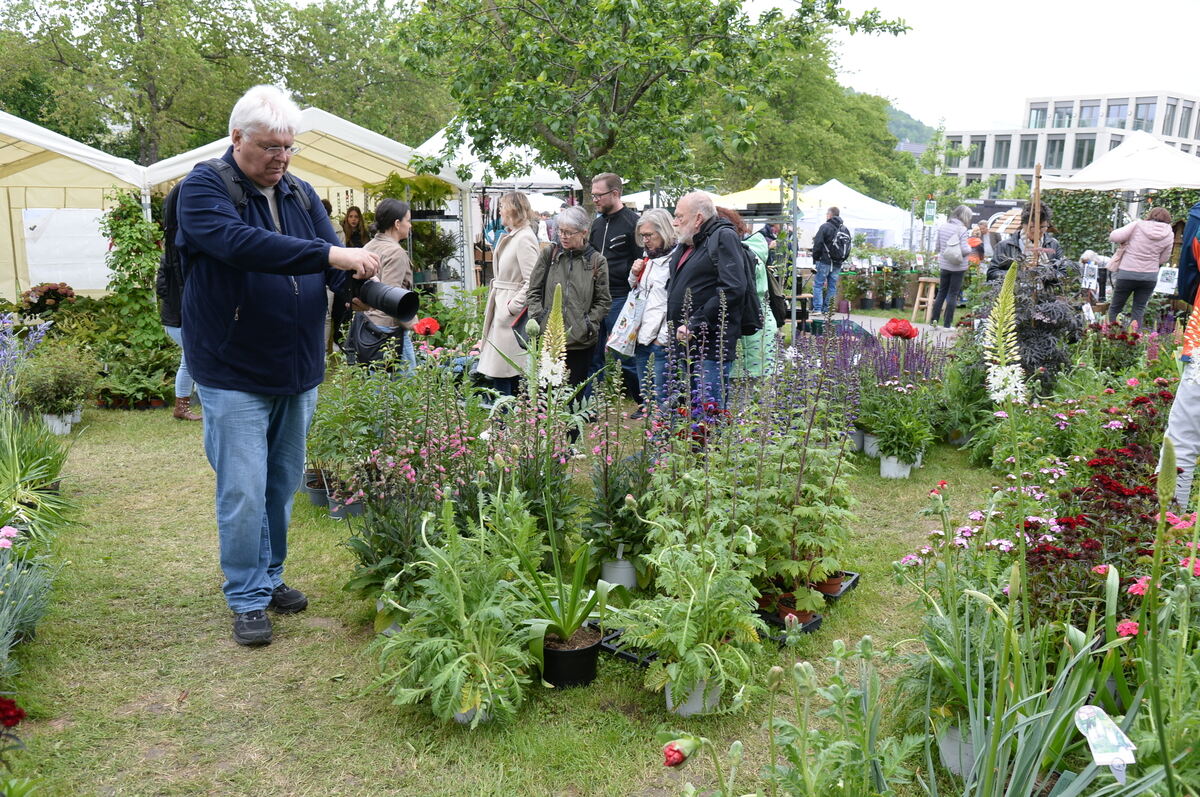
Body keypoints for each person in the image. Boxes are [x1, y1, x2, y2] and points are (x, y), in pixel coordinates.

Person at [175, 85, 379, 647]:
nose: (280, 159)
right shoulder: (203, 189)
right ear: (236, 138)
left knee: (282, 481)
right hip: (231, 366)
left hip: (296, 366)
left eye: (288, 148)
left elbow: (332, 263)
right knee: (242, 486)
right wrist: (329, 256)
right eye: (268, 147)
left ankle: (269, 576)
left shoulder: (299, 191)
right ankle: (245, 595)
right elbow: (244, 245)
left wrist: (365, 292)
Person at [666, 192, 748, 409]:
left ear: (698, 218)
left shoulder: (723, 237)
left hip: (710, 345)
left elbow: (733, 288)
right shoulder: (689, 242)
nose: (675, 222)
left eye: (679, 217)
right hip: (686, 344)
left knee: (707, 412)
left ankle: (708, 444)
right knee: (689, 412)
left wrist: (695, 322)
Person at [525, 205, 611, 387]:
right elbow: (533, 290)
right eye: (560, 231)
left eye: (569, 232)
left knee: (572, 393)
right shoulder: (550, 254)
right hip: (549, 337)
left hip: (580, 341)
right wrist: (540, 317)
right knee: (546, 390)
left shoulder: (596, 261)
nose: (563, 236)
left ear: (583, 233)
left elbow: (603, 301)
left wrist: (587, 323)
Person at [478, 192, 541, 394]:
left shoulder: (524, 238)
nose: (499, 211)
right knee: (503, 369)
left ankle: (505, 421)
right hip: (503, 304)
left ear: (512, 210)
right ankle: (506, 420)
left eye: (502, 207)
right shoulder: (516, 234)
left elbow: (532, 280)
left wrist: (512, 307)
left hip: (510, 312)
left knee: (504, 370)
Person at [155, 187, 202, 422]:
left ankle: (185, 406)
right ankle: (183, 407)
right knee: (195, 360)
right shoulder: (175, 259)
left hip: (174, 317)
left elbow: (161, 288)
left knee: (192, 359)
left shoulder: (169, 257)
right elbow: (163, 288)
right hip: (178, 319)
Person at [588, 173, 640, 379]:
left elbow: (640, 263)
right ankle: (591, 404)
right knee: (592, 354)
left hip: (620, 298)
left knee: (624, 354)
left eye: (598, 195)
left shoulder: (633, 223)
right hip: (594, 297)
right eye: (593, 195)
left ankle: (645, 404)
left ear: (615, 193)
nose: (595, 200)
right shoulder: (597, 225)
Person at [627, 208, 677, 412]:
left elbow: (674, 302)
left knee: (661, 398)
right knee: (647, 396)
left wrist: (663, 338)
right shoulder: (649, 257)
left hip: (660, 340)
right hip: (641, 336)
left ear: (663, 232)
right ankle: (652, 440)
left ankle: (662, 440)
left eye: (649, 235)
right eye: (643, 236)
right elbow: (637, 291)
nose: (645, 241)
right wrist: (633, 274)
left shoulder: (675, 260)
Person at [359, 198, 417, 370]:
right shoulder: (395, 252)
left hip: (368, 324)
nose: (410, 225)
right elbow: (392, 298)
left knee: (377, 384)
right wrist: (416, 324)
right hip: (389, 330)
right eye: (408, 220)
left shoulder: (369, 246)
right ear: (397, 223)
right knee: (407, 387)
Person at [728, 208, 777, 380]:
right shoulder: (753, 250)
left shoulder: (743, 255)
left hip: (753, 327)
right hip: (761, 324)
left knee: (752, 392)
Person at [1107, 207, 1174, 327]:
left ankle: (1110, 335)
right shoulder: (1169, 233)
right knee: (1138, 310)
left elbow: (1114, 236)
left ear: (1150, 215)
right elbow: (1164, 259)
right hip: (1149, 276)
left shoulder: (1137, 225)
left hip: (1127, 273)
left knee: (1115, 308)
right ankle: (1135, 340)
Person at [987, 201, 1064, 281]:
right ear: (1023, 224)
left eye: (1042, 227)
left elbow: (1062, 273)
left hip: (1046, 292)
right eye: (1033, 227)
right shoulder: (1005, 246)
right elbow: (992, 274)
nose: (1037, 232)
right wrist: (1020, 274)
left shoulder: (1053, 245)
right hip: (1016, 292)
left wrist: (1045, 274)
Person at [930, 205, 974, 329]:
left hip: (944, 265)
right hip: (958, 267)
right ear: (965, 216)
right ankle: (947, 325)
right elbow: (965, 250)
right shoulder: (962, 229)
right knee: (953, 295)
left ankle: (933, 322)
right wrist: (971, 248)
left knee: (941, 293)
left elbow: (938, 247)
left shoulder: (943, 226)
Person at [811, 207, 849, 314]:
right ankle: (827, 309)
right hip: (837, 262)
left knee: (818, 284)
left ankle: (817, 308)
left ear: (830, 215)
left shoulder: (825, 227)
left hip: (824, 261)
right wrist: (841, 259)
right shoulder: (845, 229)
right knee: (832, 286)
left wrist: (816, 258)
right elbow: (848, 247)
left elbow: (818, 244)